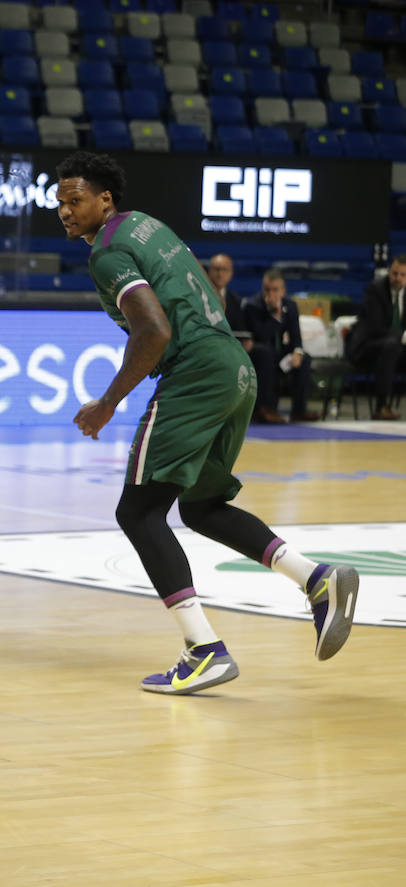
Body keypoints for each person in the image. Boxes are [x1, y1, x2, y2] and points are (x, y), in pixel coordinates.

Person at [56, 151, 359, 695]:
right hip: (236, 371)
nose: (64, 211)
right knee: (199, 507)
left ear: (105, 200)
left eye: (74, 200)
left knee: (139, 510)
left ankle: (204, 650)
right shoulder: (148, 226)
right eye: (59, 202)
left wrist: (107, 402)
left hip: (195, 370)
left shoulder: (107, 253)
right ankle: (317, 579)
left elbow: (153, 330)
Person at [244, 269, 320, 424]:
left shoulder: (290, 306)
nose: (271, 294)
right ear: (262, 289)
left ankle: (299, 410)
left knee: (304, 359)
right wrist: (275, 316)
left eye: (275, 290)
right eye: (267, 289)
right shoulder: (252, 306)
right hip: (259, 356)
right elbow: (261, 335)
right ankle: (266, 409)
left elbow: (296, 337)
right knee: (266, 353)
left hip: (279, 355)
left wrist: (297, 353)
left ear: (283, 290)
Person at [347, 255, 406, 421]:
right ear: (389, 272)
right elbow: (376, 328)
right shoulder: (375, 290)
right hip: (366, 347)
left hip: (395, 348)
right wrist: (403, 335)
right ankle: (382, 406)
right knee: (391, 346)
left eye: (403, 275)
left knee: (394, 346)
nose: (398, 278)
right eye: (395, 274)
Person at [205, 253, 251, 352]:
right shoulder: (198, 297)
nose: (220, 274)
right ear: (209, 271)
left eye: (224, 270)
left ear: (231, 273)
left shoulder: (237, 302)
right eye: (217, 269)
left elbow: (241, 333)